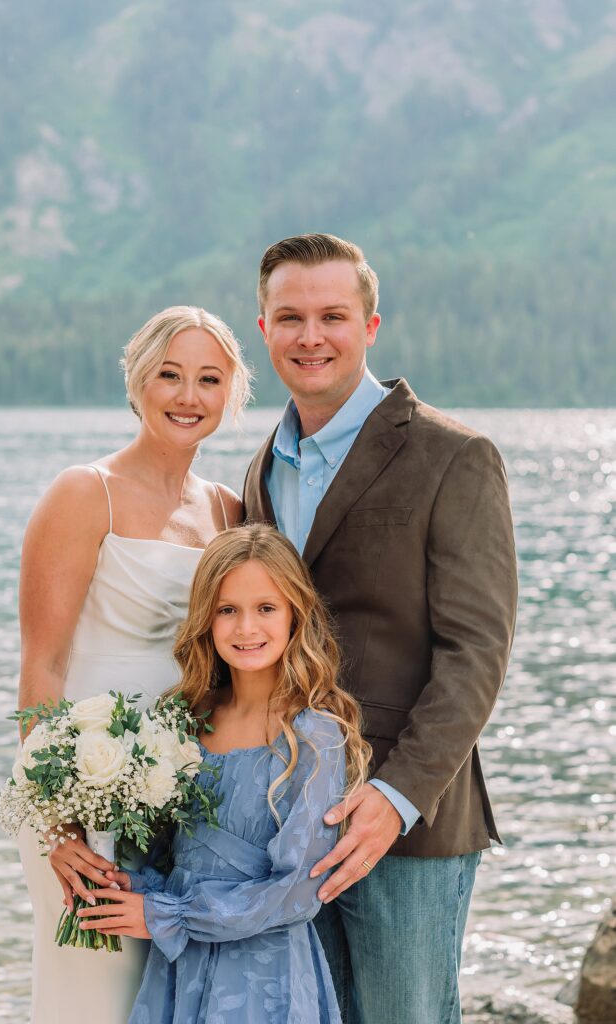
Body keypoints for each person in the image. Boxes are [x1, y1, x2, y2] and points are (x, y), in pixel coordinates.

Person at [243, 233, 519, 1023]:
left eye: (333, 315)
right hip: (285, 818)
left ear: (370, 326)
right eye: (289, 317)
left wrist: (396, 795)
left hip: (407, 821)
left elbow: (478, 651)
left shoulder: (453, 456)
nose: (311, 336)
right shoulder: (262, 466)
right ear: (263, 329)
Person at [16, 306, 250, 1024]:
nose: (188, 396)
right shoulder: (84, 494)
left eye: (209, 379)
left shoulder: (230, 512)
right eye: (169, 375)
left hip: (183, 793)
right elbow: (42, 669)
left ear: (231, 394)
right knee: (93, 991)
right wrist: (58, 824)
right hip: (83, 786)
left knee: (174, 995)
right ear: (137, 381)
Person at [76, 524, 372, 1024]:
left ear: (296, 614)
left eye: (266, 608)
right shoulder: (185, 725)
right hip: (180, 967)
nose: (245, 628)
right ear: (206, 620)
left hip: (265, 977)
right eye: (226, 610)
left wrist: (169, 917)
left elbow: (299, 891)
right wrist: (126, 884)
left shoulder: (315, 737)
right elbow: (171, 857)